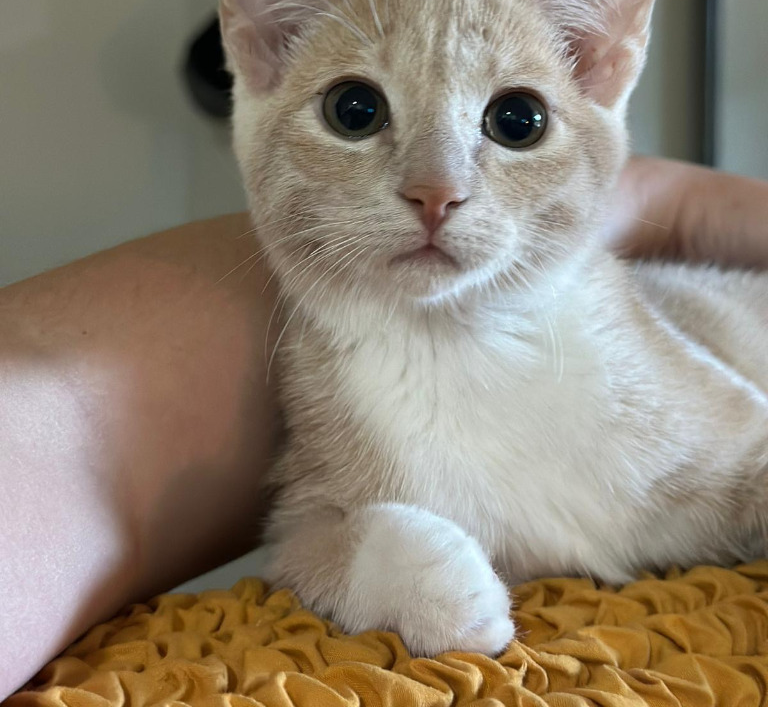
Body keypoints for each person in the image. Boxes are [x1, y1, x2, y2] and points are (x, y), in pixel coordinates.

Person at [0, 157, 766, 696]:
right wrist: (375, 558)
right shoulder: (324, 372)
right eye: (358, 112)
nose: (437, 189)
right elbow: (308, 535)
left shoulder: (611, 337)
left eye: (515, 120)